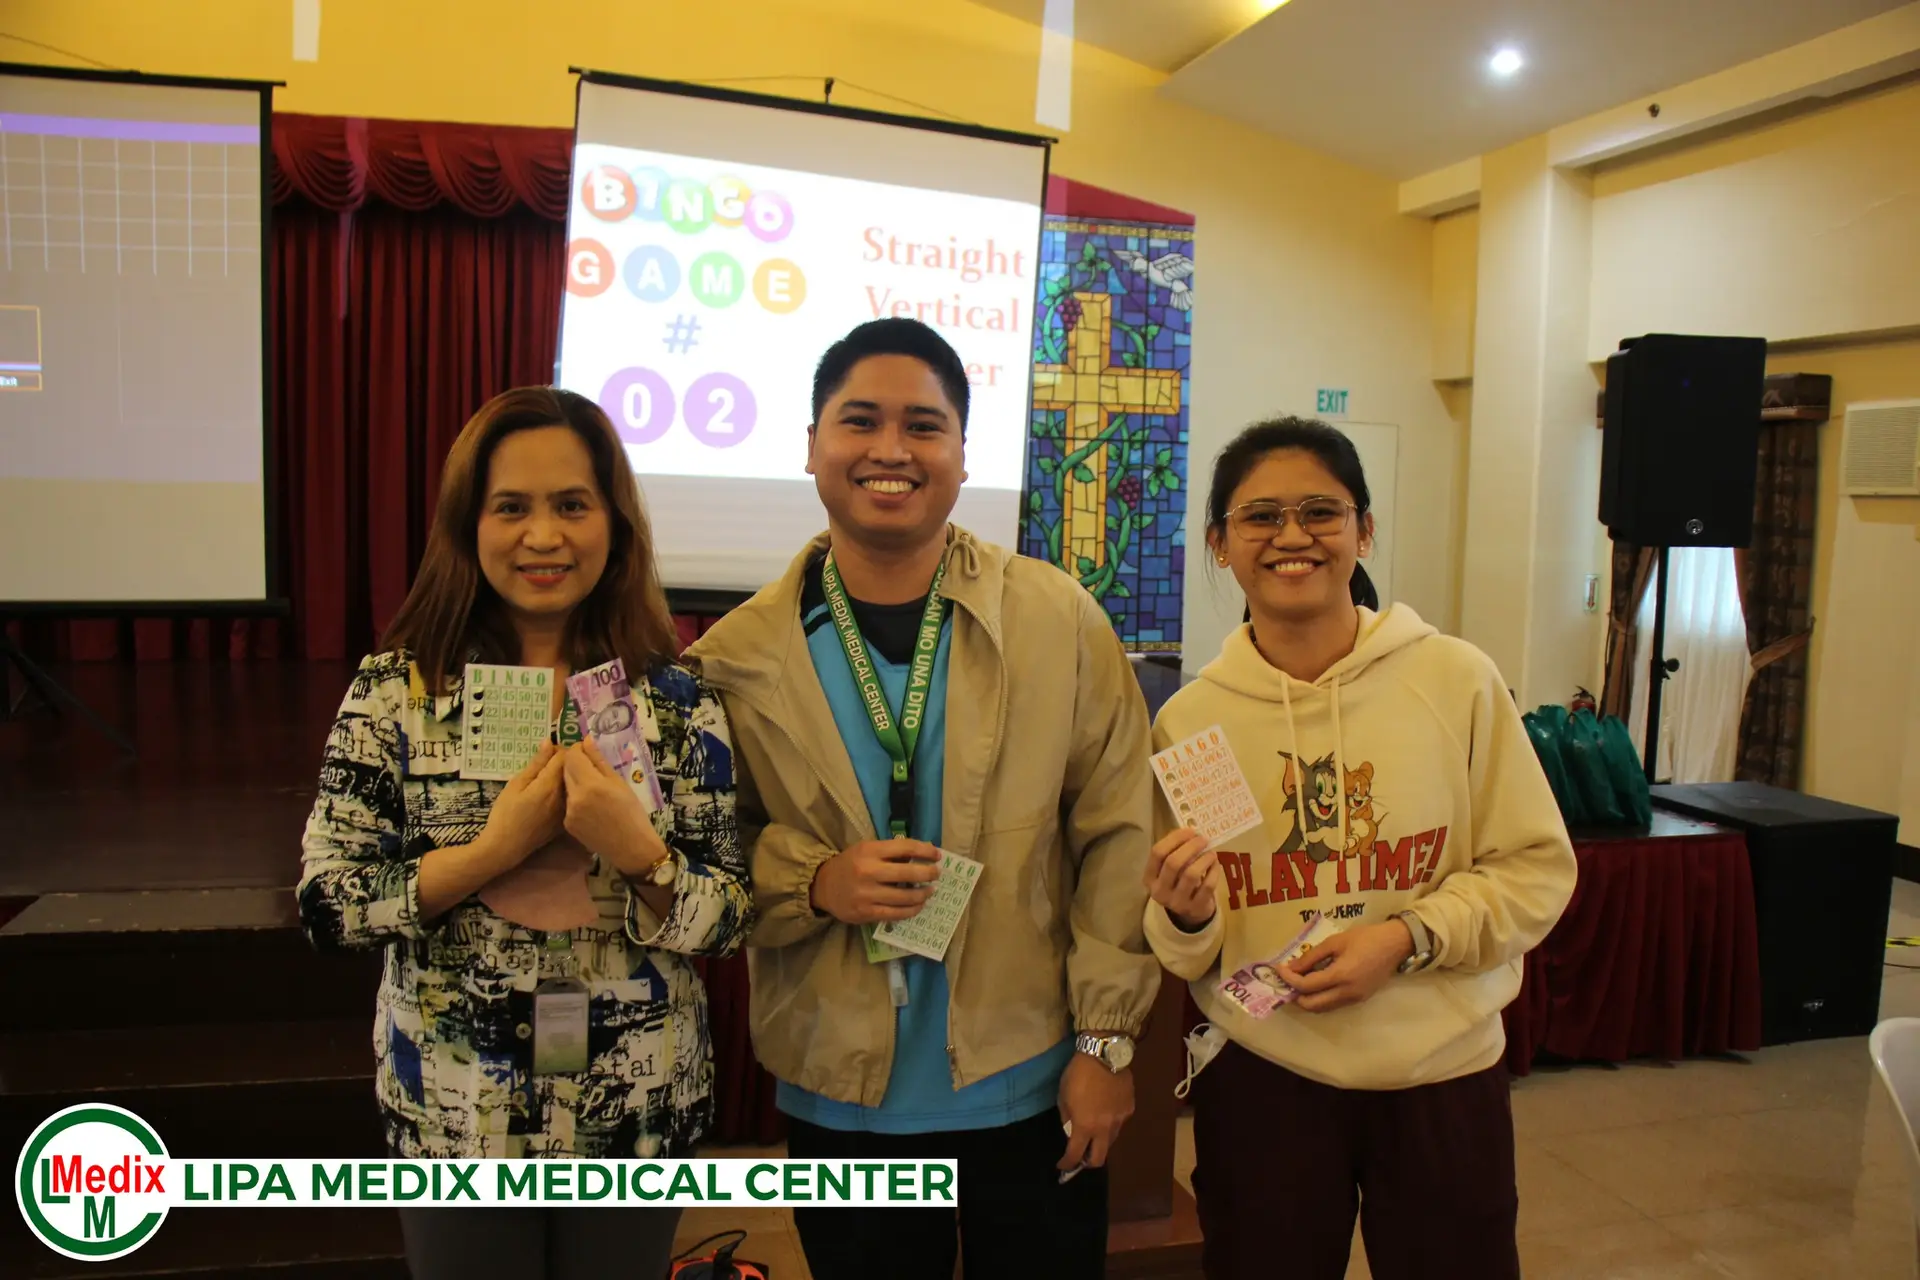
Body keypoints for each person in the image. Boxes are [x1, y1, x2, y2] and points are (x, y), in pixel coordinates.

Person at [687, 318, 1159, 1279]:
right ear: (812, 445)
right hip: (839, 1091)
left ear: (962, 453)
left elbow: (1120, 831)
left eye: (924, 425)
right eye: (860, 421)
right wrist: (814, 881)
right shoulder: (735, 657)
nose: (891, 449)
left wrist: (1106, 1042)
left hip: (1031, 1078)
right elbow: (707, 852)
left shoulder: (1057, 619)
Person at [297, 387, 753, 1280]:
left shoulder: (675, 701)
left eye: (572, 505)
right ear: (469, 525)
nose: (543, 536)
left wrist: (643, 857)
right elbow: (327, 907)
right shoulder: (396, 693)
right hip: (456, 1115)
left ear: (614, 523)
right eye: (511, 507)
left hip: (635, 1112)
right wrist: (489, 854)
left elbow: (731, 917)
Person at [1143, 417, 1575, 1280]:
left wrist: (1405, 939)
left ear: (1363, 530)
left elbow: (1535, 871)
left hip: (1442, 1072)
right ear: (1220, 543)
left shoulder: (1455, 680)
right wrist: (1186, 915)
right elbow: (1193, 943)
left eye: (1320, 512)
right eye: (1260, 516)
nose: (1292, 536)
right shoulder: (1193, 721)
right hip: (1265, 1075)